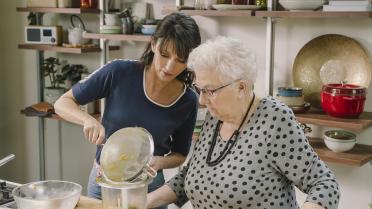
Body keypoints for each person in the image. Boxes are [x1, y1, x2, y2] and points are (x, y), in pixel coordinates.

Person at [147, 36, 340, 209]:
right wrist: (144, 202)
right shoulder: (216, 116)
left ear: (241, 87)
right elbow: (193, 175)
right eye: (199, 90)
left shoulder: (274, 119)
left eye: (210, 91)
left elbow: (324, 183)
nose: (202, 101)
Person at [54, 13, 201, 209]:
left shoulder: (188, 100)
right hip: (104, 184)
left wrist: (158, 162)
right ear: (154, 44)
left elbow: (180, 154)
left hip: (150, 188)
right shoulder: (119, 72)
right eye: (165, 55)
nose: (169, 66)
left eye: (180, 60)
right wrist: (87, 119)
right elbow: (62, 103)